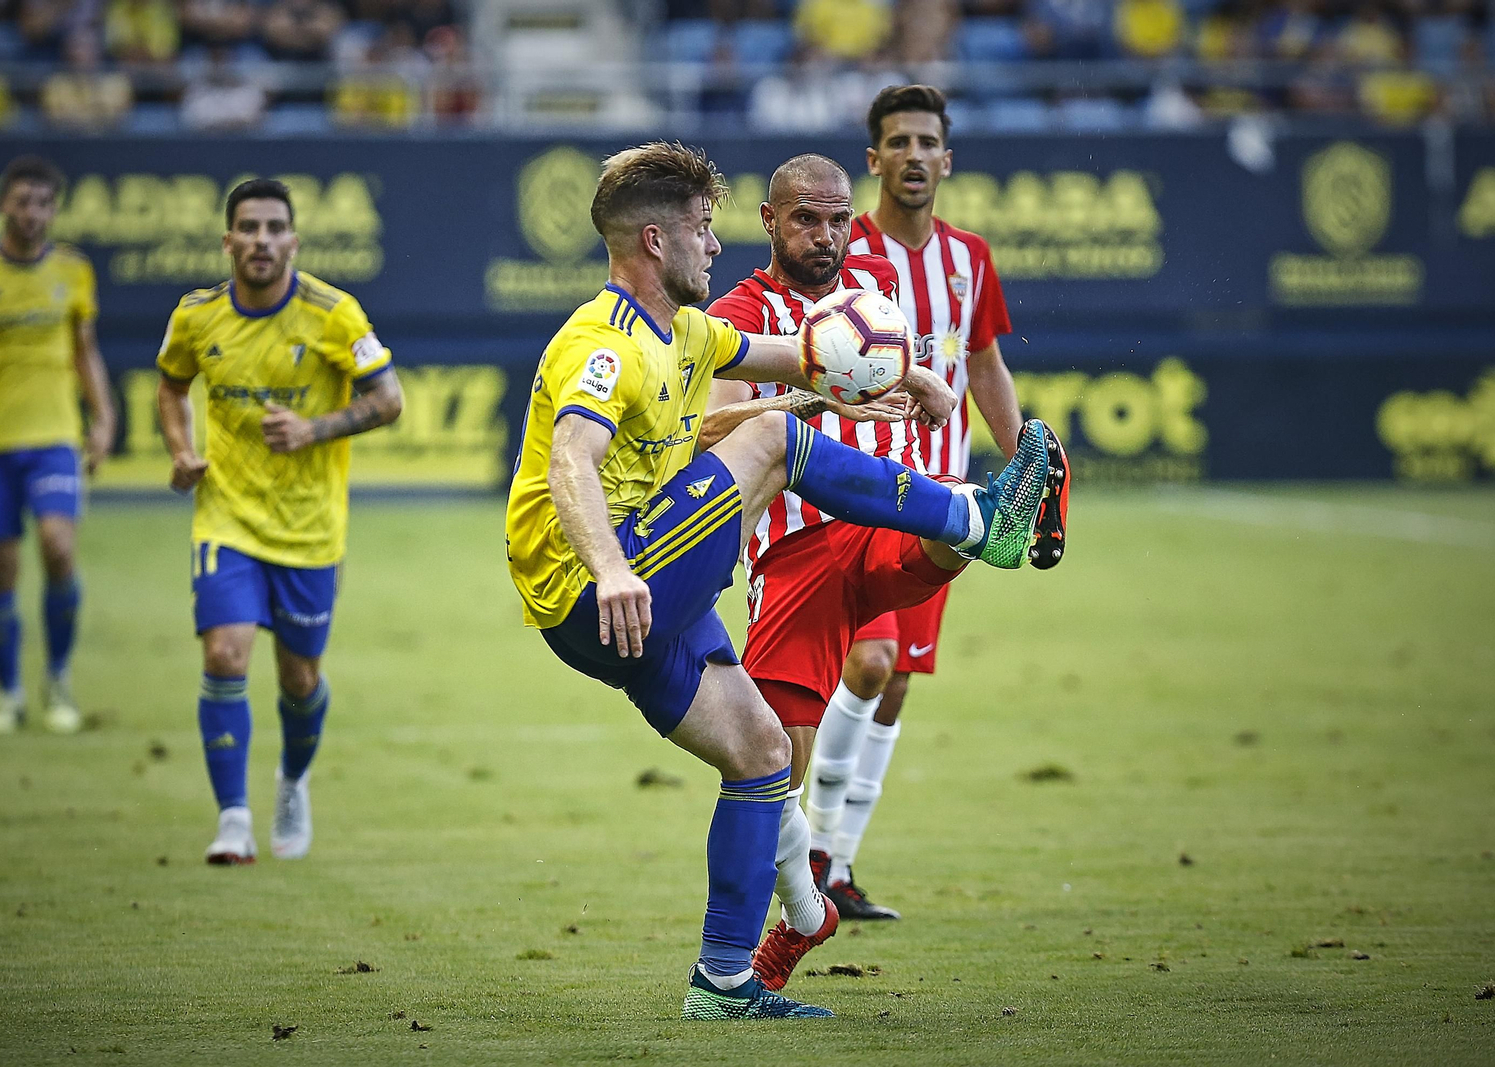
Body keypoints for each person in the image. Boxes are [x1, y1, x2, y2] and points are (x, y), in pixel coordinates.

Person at [505, 140, 1057, 1019]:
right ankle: (977, 520)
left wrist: (909, 373)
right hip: (597, 585)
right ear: (654, 241)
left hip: (647, 597)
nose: (714, 247)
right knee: (772, 445)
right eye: (699, 229)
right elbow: (573, 458)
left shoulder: (685, 331)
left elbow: (795, 356)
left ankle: (728, 978)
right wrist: (610, 569)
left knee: (761, 754)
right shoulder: (601, 343)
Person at [800, 83, 1069, 920]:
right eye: (898, 142)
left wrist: (1025, 455)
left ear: (947, 161)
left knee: (897, 681)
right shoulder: (840, 247)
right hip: (858, 487)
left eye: (928, 142)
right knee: (869, 663)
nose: (914, 155)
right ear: (873, 160)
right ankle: (806, 851)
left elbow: (981, 361)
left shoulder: (970, 259)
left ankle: (839, 865)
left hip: (944, 495)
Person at [155, 178, 403, 865]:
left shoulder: (334, 313)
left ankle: (292, 778)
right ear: (228, 239)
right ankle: (232, 818)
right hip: (227, 518)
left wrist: (314, 427)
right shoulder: (197, 314)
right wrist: (181, 450)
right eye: (248, 227)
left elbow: (389, 398)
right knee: (224, 654)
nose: (261, 240)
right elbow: (171, 387)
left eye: (274, 228)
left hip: (308, 529)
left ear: (293, 240)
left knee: (298, 679)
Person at [0, 155, 115, 735]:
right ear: (2, 204)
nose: (31, 213)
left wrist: (104, 417)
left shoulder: (74, 270)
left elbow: (85, 350)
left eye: (42, 203)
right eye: (21, 201)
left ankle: (58, 678)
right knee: (0, 572)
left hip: (55, 436)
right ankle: (8, 693)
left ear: (54, 210)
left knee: (59, 548)